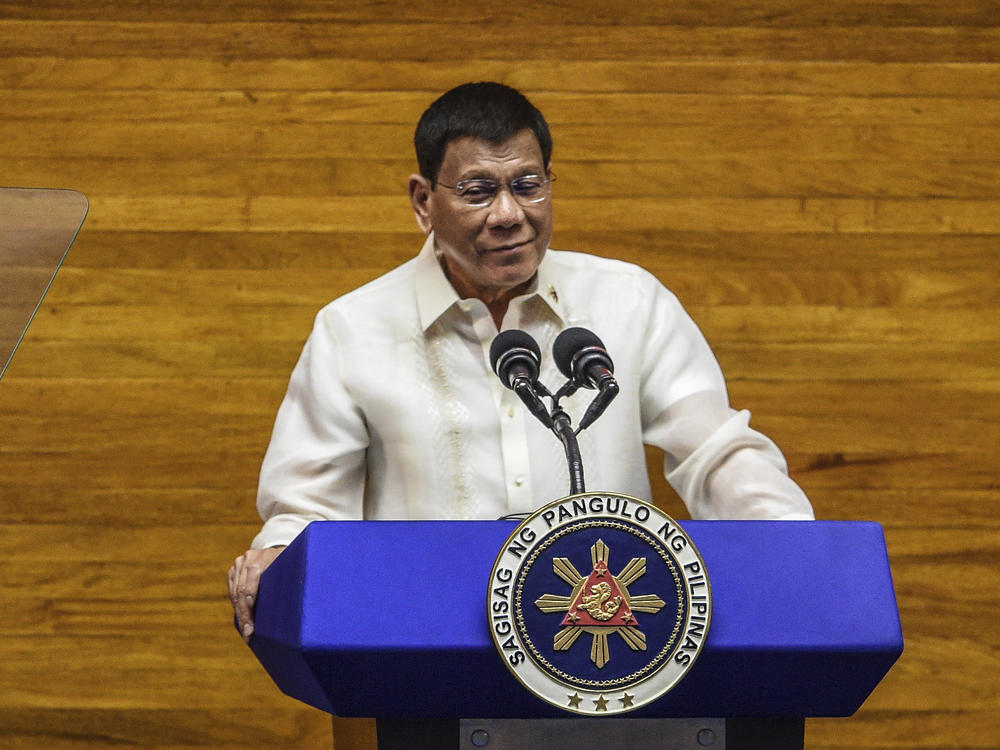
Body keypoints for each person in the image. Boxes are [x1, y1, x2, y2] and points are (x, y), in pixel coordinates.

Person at [228, 82, 814, 642]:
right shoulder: (351, 330)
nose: (509, 213)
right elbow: (307, 507)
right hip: (421, 642)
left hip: (610, 642)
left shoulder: (628, 301)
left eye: (528, 185)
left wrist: (794, 543)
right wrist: (280, 555)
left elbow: (716, 453)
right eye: (479, 191)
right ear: (423, 202)